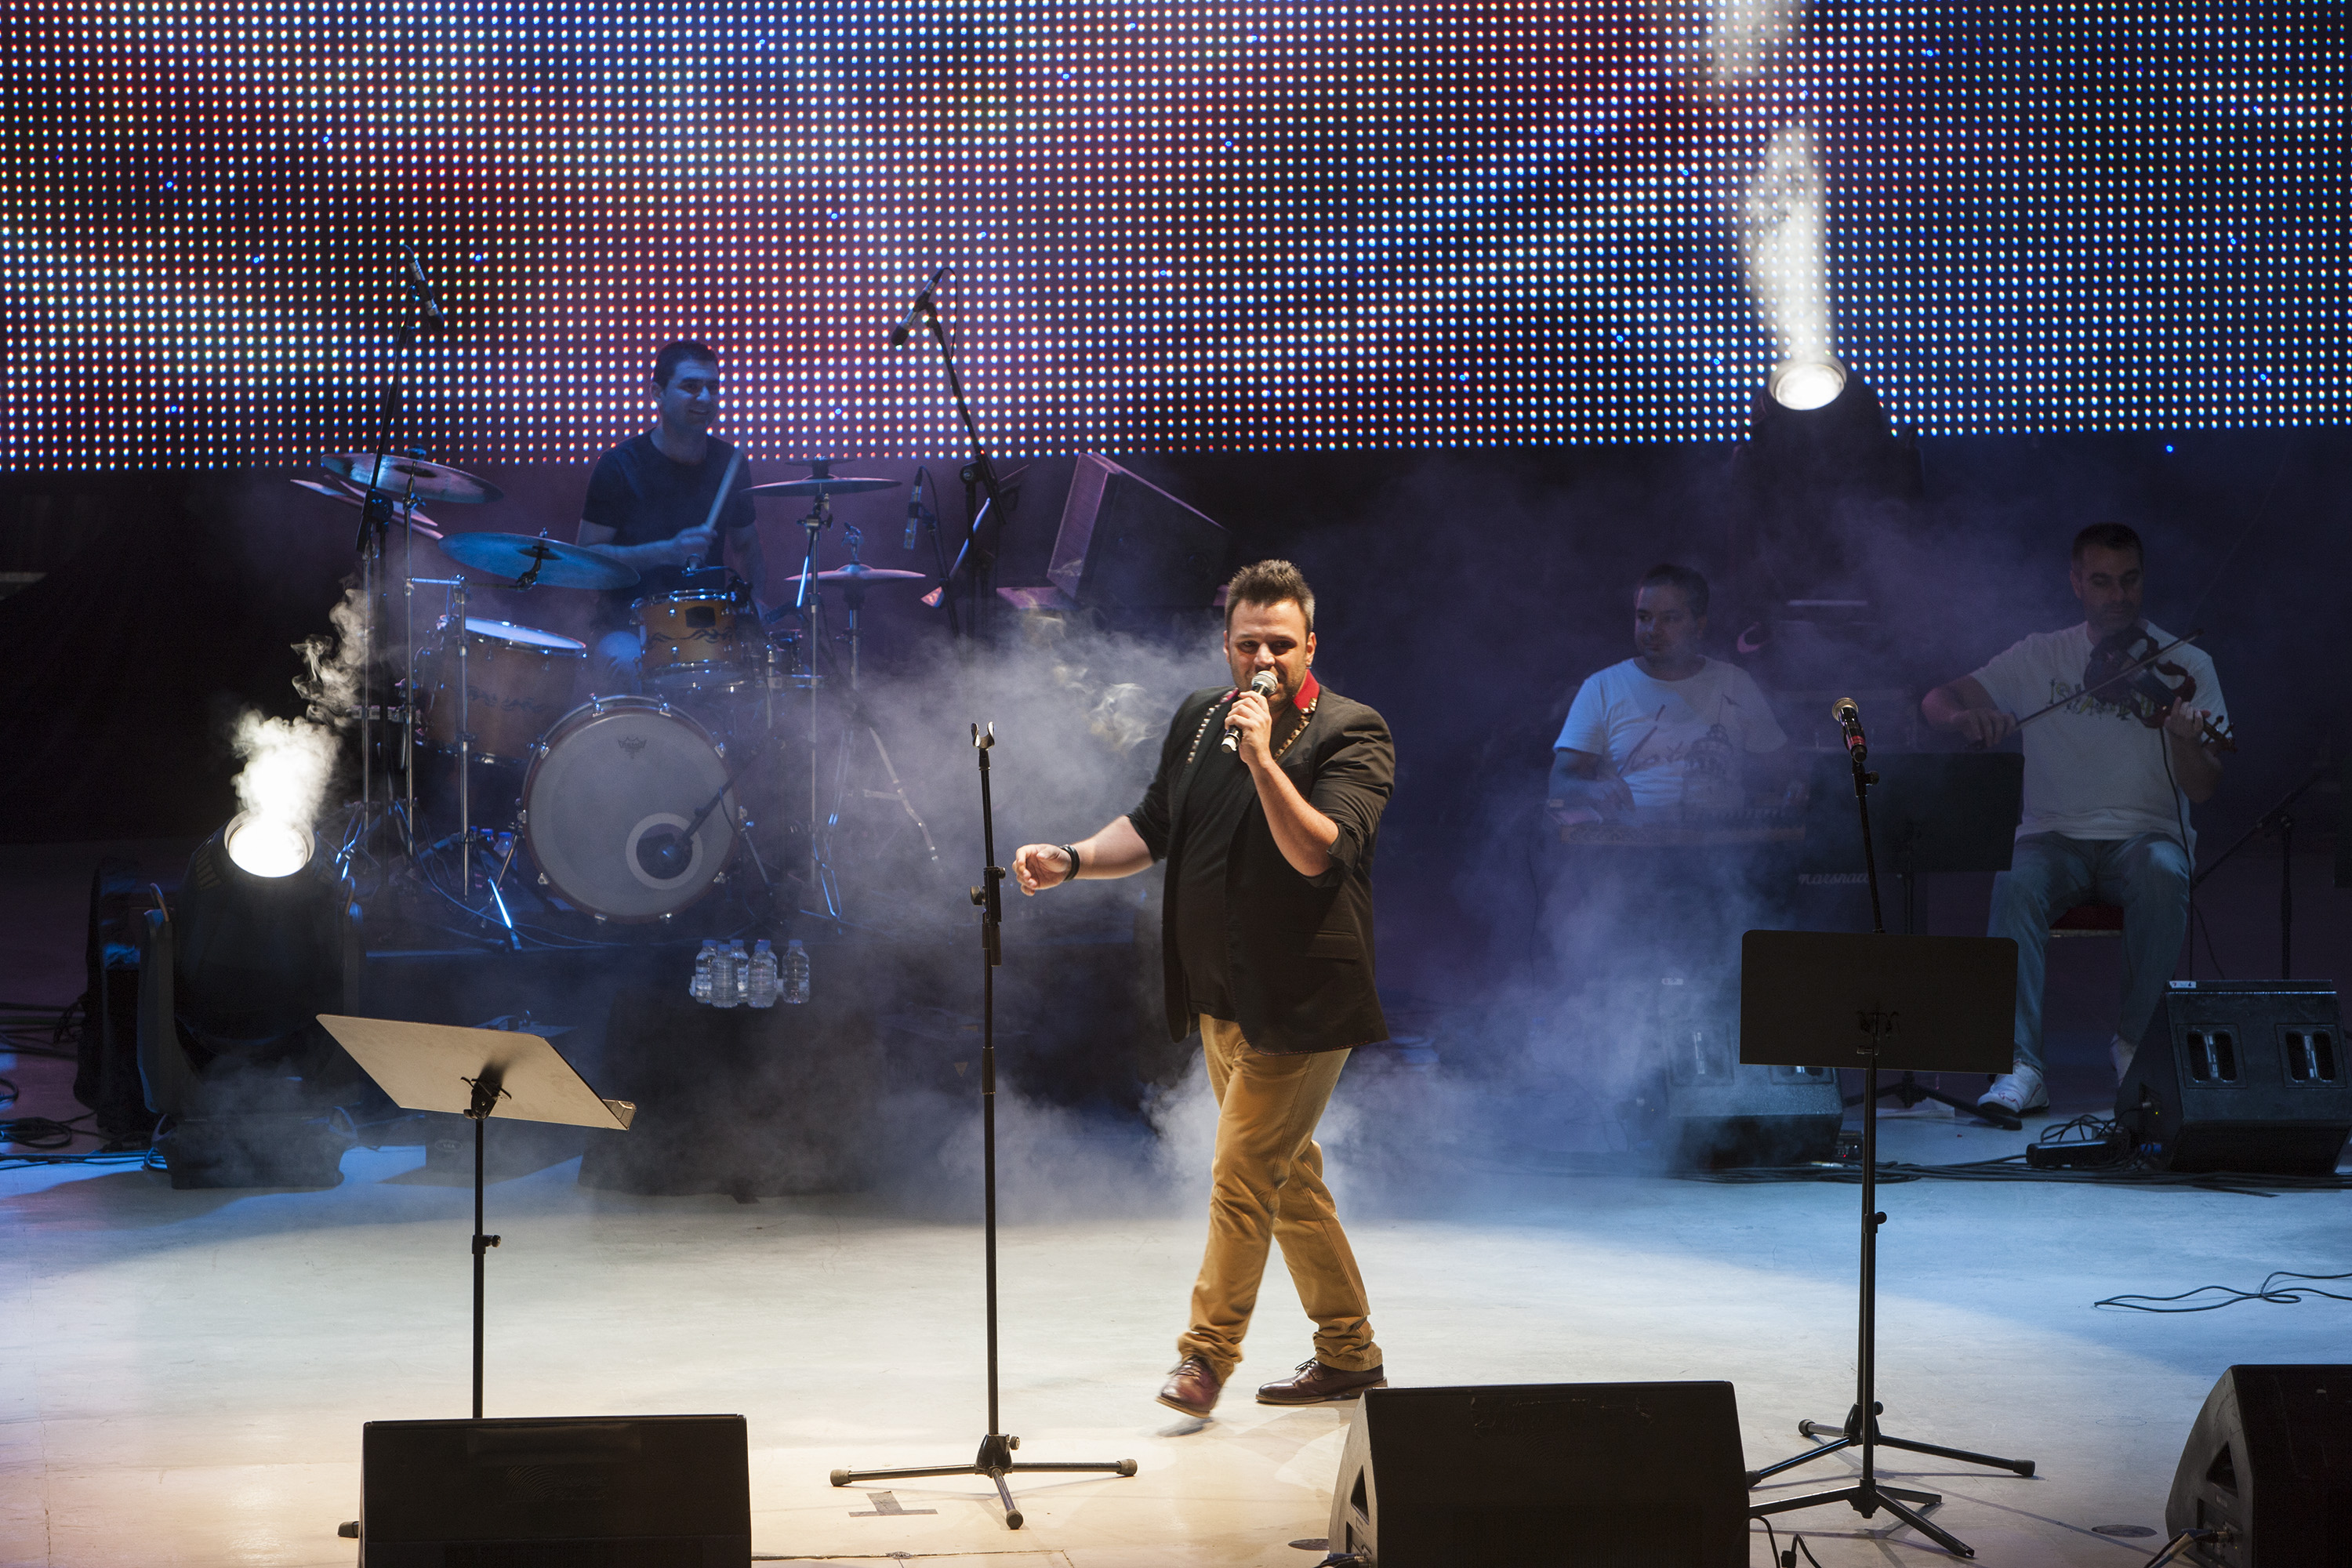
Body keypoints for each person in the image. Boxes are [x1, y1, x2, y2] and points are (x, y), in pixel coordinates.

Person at [1013, 560, 1393, 1420]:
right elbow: (1153, 827)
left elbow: (1319, 851)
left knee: (1241, 1175)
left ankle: (1205, 1356)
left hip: (1302, 1004)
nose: (1265, 659)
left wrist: (1263, 759)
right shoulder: (1198, 718)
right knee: (1285, 1177)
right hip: (1221, 995)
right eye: (1249, 643)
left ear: (1311, 646)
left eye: (1281, 645)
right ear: (1226, 644)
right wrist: (1073, 858)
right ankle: (1350, 1352)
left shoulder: (1352, 730)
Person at [1922, 522, 2226, 1117]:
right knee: (2014, 881)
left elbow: (2204, 787)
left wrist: (2187, 739)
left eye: (2130, 580)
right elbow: (1938, 699)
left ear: (2144, 579)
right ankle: (2020, 1067)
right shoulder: (2039, 655)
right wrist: (1964, 720)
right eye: (2102, 582)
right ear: (2076, 583)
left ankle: (2135, 1047)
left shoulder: (2186, 663)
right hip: (2052, 836)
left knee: (2164, 870)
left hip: (2145, 835)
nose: (2118, 596)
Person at [576, 340, 764, 687]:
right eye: (691, 386)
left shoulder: (730, 463)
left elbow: (747, 545)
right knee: (627, 664)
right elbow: (587, 560)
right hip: (627, 628)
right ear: (657, 393)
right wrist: (665, 552)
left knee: (764, 670)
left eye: (713, 388)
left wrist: (753, 606)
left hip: (709, 629)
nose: (705, 398)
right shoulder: (619, 466)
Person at [1548, 564, 1790, 821]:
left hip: (1721, 839)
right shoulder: (1601, 687)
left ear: (1699, 626)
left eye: (1670, 619)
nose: (1653, 630)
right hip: (1628, 841)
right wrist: (1591, 790)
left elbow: (1785, 774)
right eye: (1644, 617)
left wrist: (1795, 790)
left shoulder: (1736, 684)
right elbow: (1560, 782)